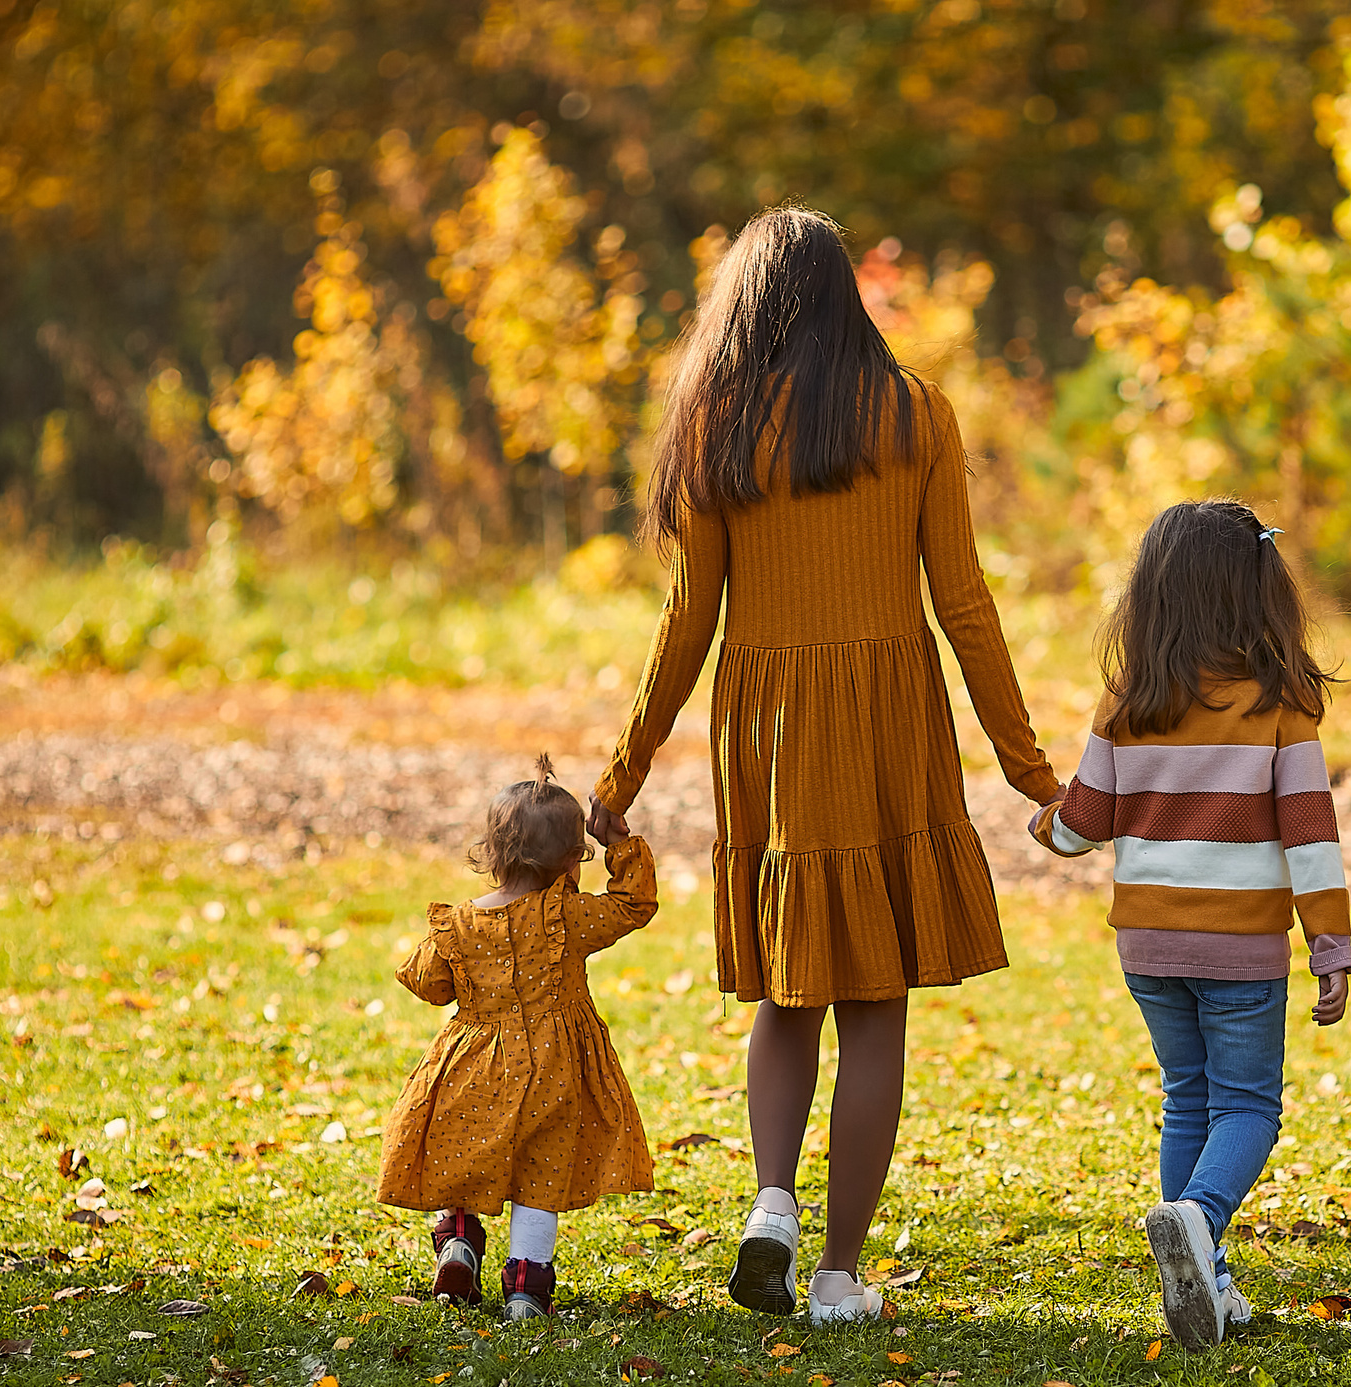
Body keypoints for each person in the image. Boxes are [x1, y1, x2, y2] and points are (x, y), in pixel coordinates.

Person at [587, 206, 1060, 1325]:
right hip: (888, 726)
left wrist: (620, 777)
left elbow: (685, 621)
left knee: (788, 994)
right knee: (875, 1006)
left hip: (770, 734)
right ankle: (841, 1275)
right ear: (847, 295)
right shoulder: (917, 415)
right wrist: (1032, 772)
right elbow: (964, 606)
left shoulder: (715, 428)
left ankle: (770, 1209)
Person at [1029, 500, 1351, 1351]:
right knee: (1247, 1105)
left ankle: (1204, 1281)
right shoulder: (1282, 705)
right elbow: (1310, 836)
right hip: (1240, 946)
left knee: (1188, 1097)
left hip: (1148, 944)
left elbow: (1084, 821)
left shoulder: (1128, 700)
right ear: (1258, 593)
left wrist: (1045, 825)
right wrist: (1330, 944)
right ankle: (1200, 1221)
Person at [377, 759, 659, 1321]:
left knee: (463, 1154)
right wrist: (620, 846)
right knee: (541, 1173)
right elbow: (634, 906)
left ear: (491, 852)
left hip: (472, 1065)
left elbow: (429, 985)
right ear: (570, 859)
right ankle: (527, 1289)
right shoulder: (567, 915)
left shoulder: (457, 923)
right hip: (556, 1066)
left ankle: (458, 1241)